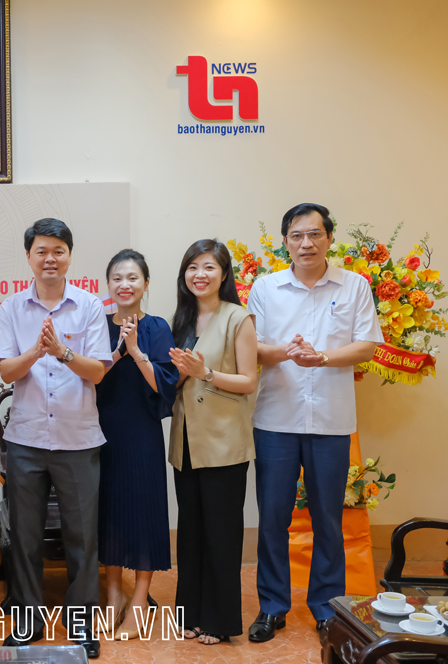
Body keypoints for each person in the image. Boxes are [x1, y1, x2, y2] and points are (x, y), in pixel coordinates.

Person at [246, 204, 382, 642]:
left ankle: (327, 607)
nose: (306, 243)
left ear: (329, 239)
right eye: (297, 235)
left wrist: (320, 357)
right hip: (276, 419)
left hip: (331, 420)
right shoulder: (265, 288)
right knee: (272, 518)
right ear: (285, 241)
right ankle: (272, 606)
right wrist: (289, 352)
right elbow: (254, 349)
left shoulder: (355, 285)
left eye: (315, 234)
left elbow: (366, 347)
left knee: (327, 517)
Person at [0, 218, 111, 659]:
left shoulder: (89, 307)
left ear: (69, 256)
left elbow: (97, 371)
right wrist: (36, 351)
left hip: (78, 438)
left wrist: (62, 351)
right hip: (25, 438)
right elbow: (5, 371)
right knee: (24, 535)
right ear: (29, 257)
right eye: (41, 250)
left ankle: (82, 624)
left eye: (58, 250)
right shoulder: (11, 308)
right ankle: (28, 618)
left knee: (82, 535)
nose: (50, 258)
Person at [168, 239, 258, 646]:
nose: (199, 275)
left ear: (224, 274)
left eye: (208, 267)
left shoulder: (238, 317)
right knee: (190, 531)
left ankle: (219, 620)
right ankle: (189, 615)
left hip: (223, 442)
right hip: (185, 441)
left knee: (221, 533)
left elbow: (248, 381)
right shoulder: (182, 319)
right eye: (192, 267)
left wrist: (206, 373)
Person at [95, 250, 177, 639]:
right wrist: (114, 353)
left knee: (143, 512)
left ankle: (140, 599)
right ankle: (113, 594)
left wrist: (135, 353)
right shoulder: (96, 324)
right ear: (107, 285)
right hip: (99, 431)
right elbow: (86, 378)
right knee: (108, 511)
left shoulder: (158, 326)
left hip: (141, 432)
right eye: (117, 278)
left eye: (132, 278)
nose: (124, 285)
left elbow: (165, 384)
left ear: (145, 284)